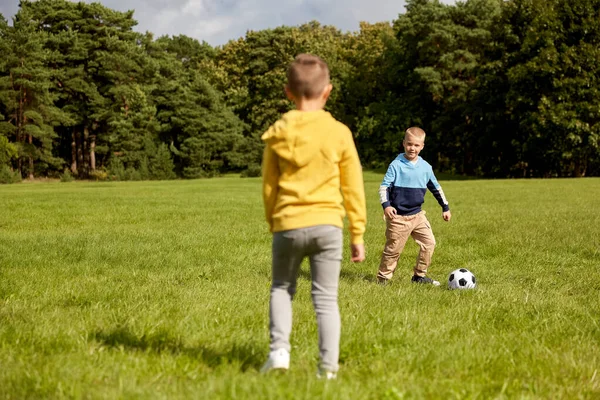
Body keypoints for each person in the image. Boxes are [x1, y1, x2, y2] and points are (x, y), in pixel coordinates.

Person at [259, 54, 367, 379]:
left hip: (288, 224)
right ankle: (328, 370)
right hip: (328, 226)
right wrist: (357, 234)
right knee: (325, 298)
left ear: (288, 92)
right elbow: (353, 187)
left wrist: (273, 221)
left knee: (281, 288)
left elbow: (268, 186)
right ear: (328, 92)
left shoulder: (277, 133)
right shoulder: (339, 133)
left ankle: (279, 352)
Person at [377, 127, 451, 285]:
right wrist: (387, 206)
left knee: (429, 243)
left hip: (418, 215)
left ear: (422, 146)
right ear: (404, 143)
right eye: (409, 144)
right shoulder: (396, 165)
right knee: (393, 250)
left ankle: (419, 276)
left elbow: (436, 188)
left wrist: (445, 207)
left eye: (416, 145)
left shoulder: (426, 168)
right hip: (398, 217)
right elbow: (384, 187)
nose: (412, 148)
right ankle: (383, 279)